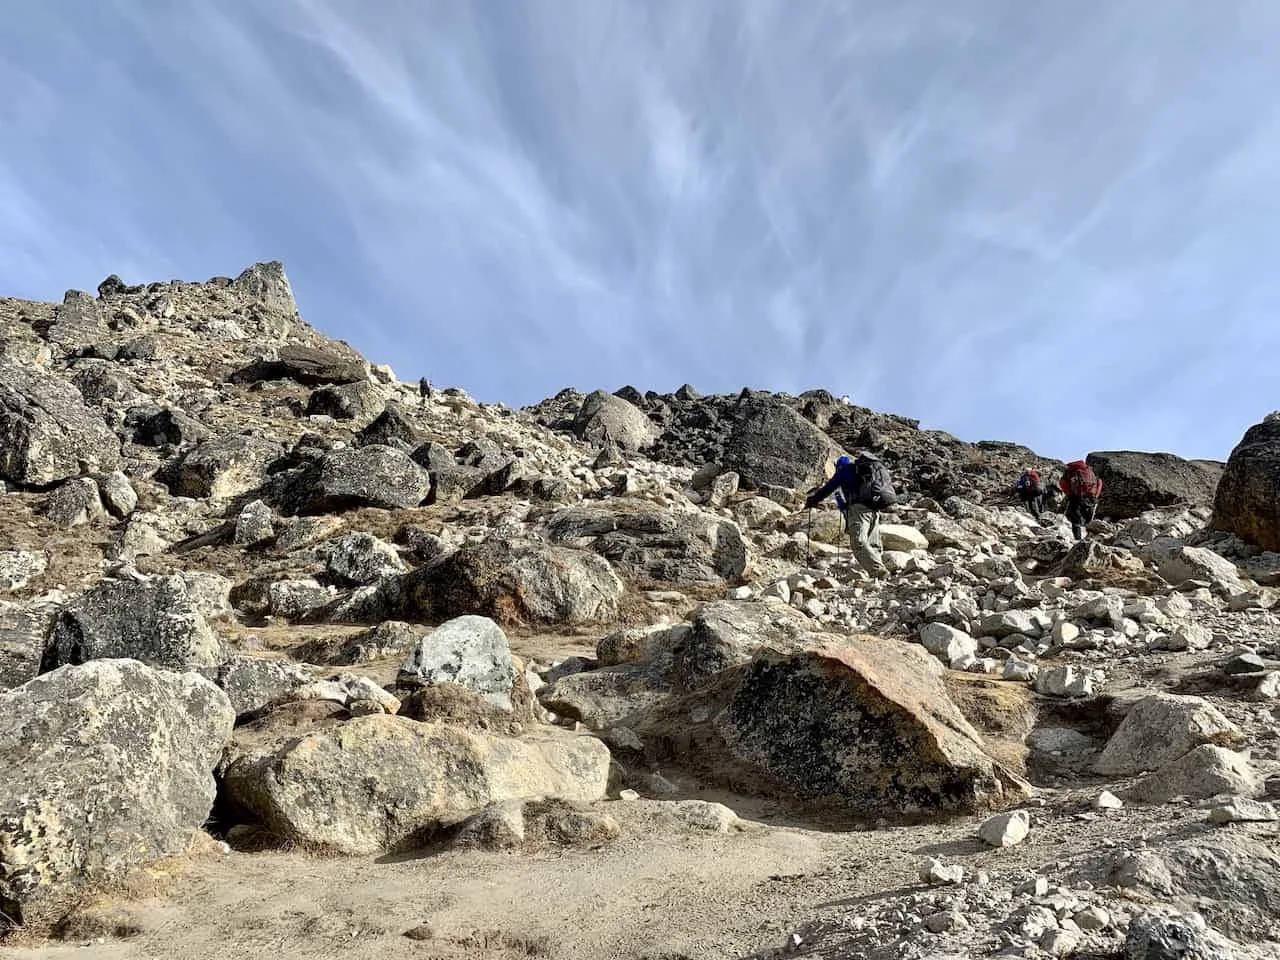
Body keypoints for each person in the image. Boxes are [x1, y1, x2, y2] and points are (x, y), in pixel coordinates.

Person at [805, 452, 897, 578]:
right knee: (872, 543)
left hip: (859, 510)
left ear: (838, 466)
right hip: (874, 509)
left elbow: (829, 488)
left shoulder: (844, 471)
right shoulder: (865, 472)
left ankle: (878, 572)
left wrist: (813, 500)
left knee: (858, 542)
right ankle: (879, 572)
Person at [1059, 459, 1103, 541]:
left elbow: (1062, 482)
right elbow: (1099, 482)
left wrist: (1069, 494)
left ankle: (1077, 539)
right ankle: (1089, 538)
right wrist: (1096, 496)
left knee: (1076, 519)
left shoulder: (1071, 470)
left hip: (1076, 497)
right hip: (1091, 497)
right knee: (1089, 520)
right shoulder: (1089, 470)